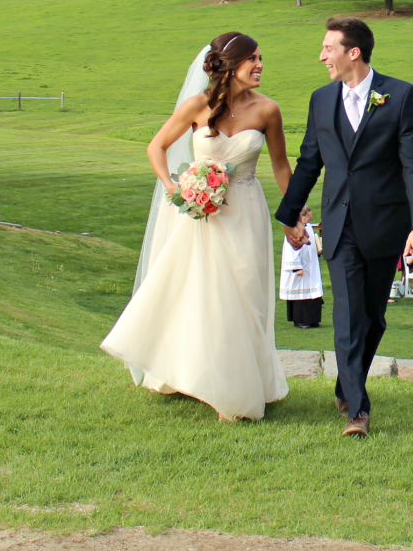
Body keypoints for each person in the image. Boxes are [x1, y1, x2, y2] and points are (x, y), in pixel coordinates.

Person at [102, 32, 293, 421]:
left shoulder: (268, 110)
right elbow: (156, 147)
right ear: (229, 64)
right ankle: (206, 382)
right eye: (252, 59)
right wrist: (176, 188)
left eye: (261, 58)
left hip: (247, 212)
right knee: (203, 295)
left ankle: (241, 382)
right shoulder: (196, 106)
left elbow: (280, 166)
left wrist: (293, 217)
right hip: (201, 215)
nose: (260, 65)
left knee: (246, 296)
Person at [274, 17, 413, 437]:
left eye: (328, 48)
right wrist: (289, 215)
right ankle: (357, 412)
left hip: (385, 223)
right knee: (346, 315)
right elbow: (310, 160)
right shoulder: (320, 99)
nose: (322, 55)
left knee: (373, 318)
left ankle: (347, 383)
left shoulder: (399, 95)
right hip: (339, 225)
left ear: (353, 53)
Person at [281, 205, 324, 328]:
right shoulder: (292, 229)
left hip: (311, 266)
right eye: (308, 216)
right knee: (300, 295)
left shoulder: (309, 227)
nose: (310, 218)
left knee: (312, 294)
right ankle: (300, 320)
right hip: (300, 268)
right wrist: (297, 267)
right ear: (301, 216)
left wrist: (318, 249)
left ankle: (313, 319)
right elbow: (291, 248)